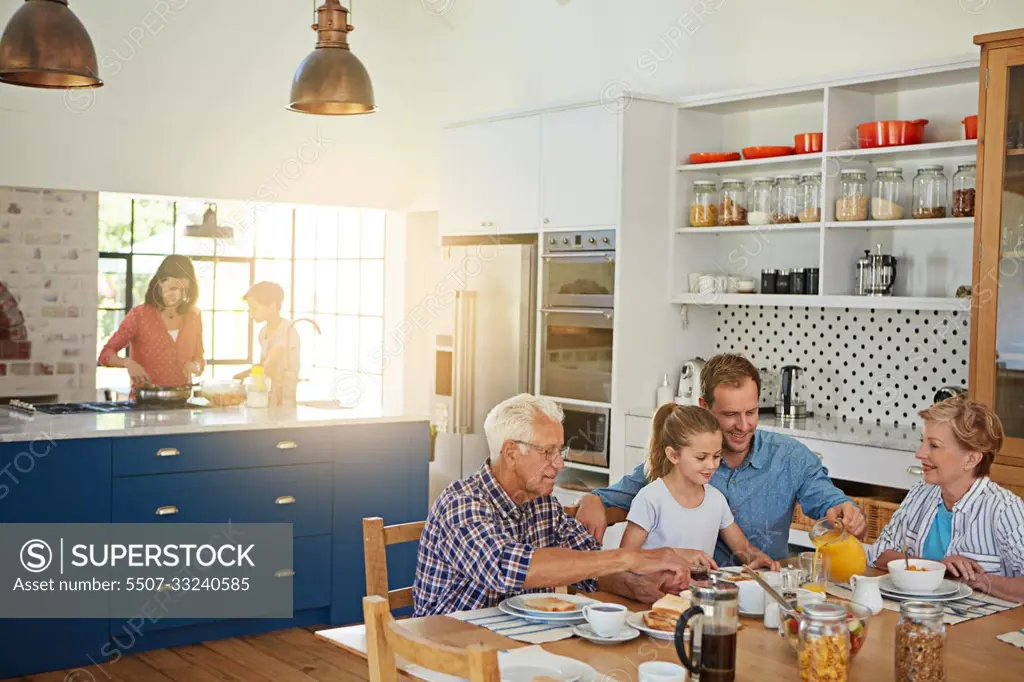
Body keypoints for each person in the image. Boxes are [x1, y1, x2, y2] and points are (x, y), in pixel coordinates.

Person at [412, 393, 693, 617]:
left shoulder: (542, 503)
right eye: (548, 452)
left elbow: (590, 567)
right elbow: (506, 569)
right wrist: (630, 557)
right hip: (446, 650)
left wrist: (639, 585)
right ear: (511, 452)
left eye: (560, 451)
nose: (559, 463)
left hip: (516, 644)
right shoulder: (462, 503)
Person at [575, 353, 866, 567]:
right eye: (730, 415)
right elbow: (613, 499)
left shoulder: (790, 457)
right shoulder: (677, 463)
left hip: (759, 589)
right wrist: (592, 500)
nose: (743, 425)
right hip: (684, 592)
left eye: (751, 412)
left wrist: (844, 510)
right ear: (705, 407)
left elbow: (829, 501)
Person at [869, 394, 1024, 602]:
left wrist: (978, 580)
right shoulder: (921, 493)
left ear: (971, 458)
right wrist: (939, 569)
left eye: (934, 445)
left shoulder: (1005, 510)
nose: (919, 453)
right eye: (922, 442)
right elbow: (879, 554)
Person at [620, 403, 779, 573]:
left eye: (717, 456)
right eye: (701, 457)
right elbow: (623, 559)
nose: (711, 465)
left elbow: (742, 547)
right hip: (653, 596)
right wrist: (676, 555)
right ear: (673, 455)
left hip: (697, 594)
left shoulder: (716, 500)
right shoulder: (651, 499)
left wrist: (756, 557)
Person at [98, 255, 204, 389]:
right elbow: (105, 354)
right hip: (144, 402)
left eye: (183, 290)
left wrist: (195, 366)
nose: (177, 296)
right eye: (173, 288)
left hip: (182, 400)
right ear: (160, 283)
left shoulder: (193, 316)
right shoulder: (139, 315)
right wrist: (128, 363)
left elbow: (199, 358)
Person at [234, 281, 300, 406]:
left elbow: (269, 367)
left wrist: (245, 386)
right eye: (250, 309)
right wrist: (242, 375)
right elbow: (262, 365)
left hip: (285, 401)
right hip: (267, 398)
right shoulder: (263, 332)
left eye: (255, 308)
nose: (251, 314)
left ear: (272, 306)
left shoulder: (287, 330)